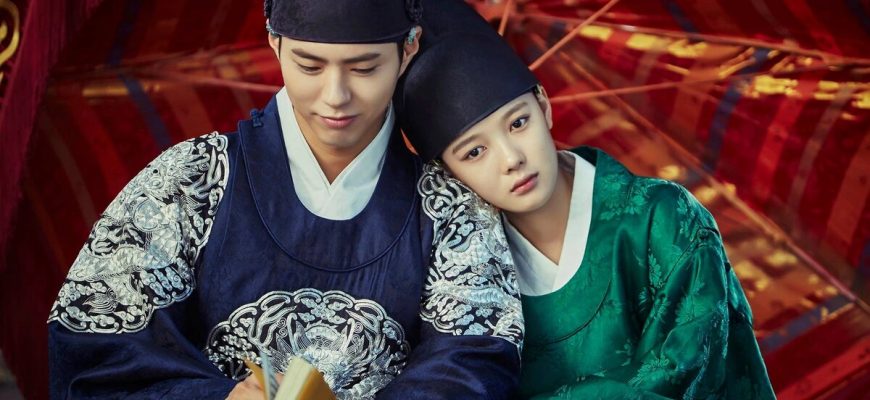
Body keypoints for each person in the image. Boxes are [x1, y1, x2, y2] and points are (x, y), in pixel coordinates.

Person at [46, 1, 523, 398]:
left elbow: (473, 364)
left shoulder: (450, 208)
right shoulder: (192, 179)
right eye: (309, 65)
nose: (335, 96)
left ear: (408, 48)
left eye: (364, 68)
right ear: (274, 42)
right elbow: (94, 346)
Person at [398, 17, 777, 400]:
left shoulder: (663, 218)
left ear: (544, 105)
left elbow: (687, 371)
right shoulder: (460, 282)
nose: (511, 159)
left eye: (518, 123)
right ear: (448, 173)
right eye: (475, 152)